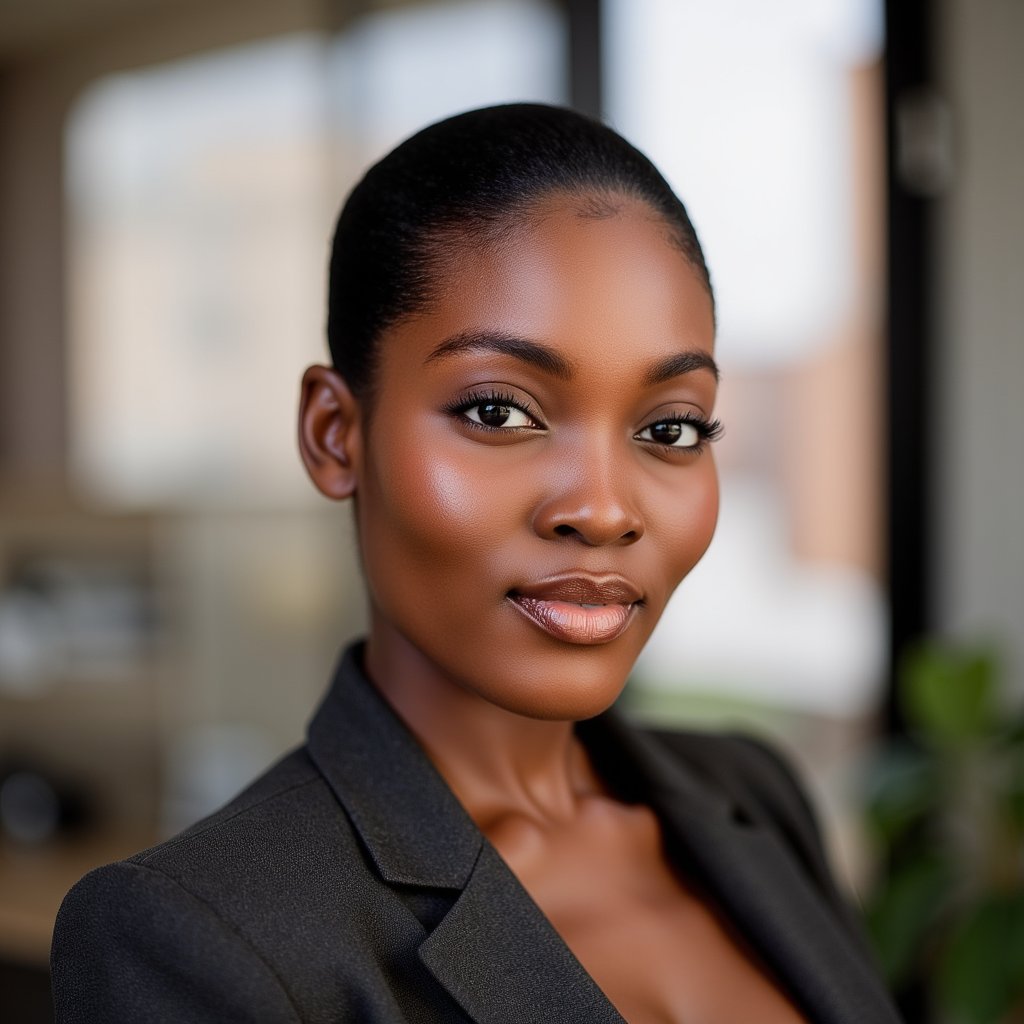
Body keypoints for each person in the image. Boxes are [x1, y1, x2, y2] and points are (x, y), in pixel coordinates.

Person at [50, 103, 902, 1024]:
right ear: (337, 435)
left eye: (671, 427)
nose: (605, 509)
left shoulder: (751, 794)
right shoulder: (199, 938)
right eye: (500, 413)